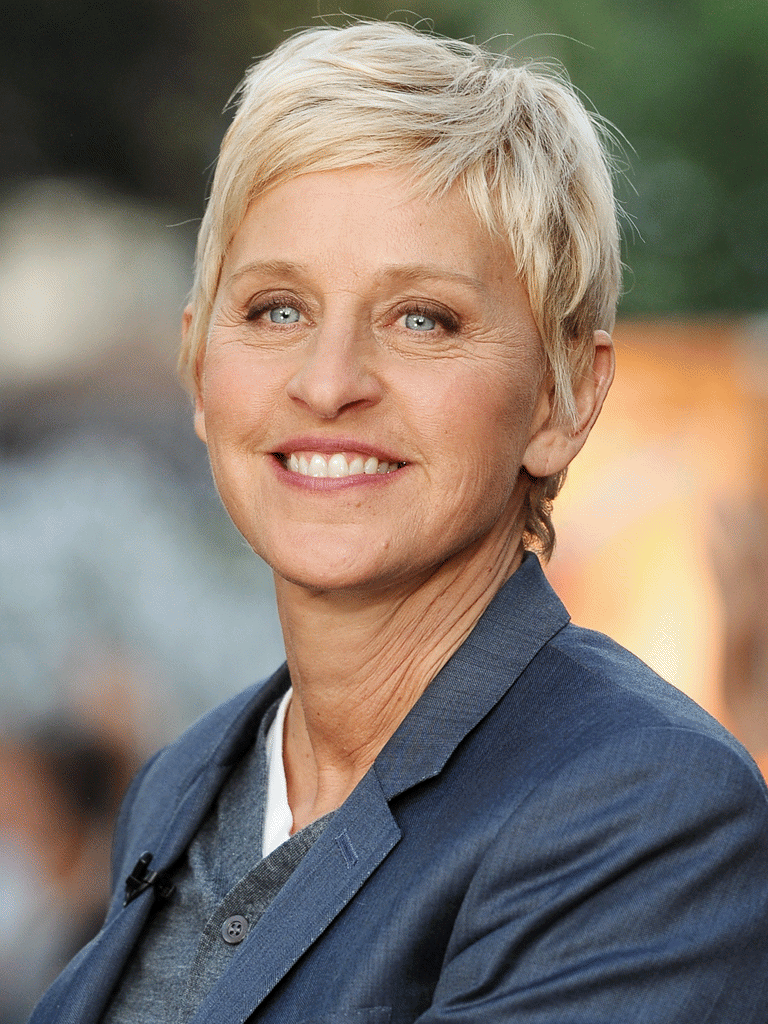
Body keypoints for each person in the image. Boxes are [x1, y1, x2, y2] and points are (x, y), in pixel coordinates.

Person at [28, 21, 768, 1024]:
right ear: (198, 363)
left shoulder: (648, 810)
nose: (329, 381)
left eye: (423, 318)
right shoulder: (183, 781)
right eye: (277, 309)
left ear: (562, 398)